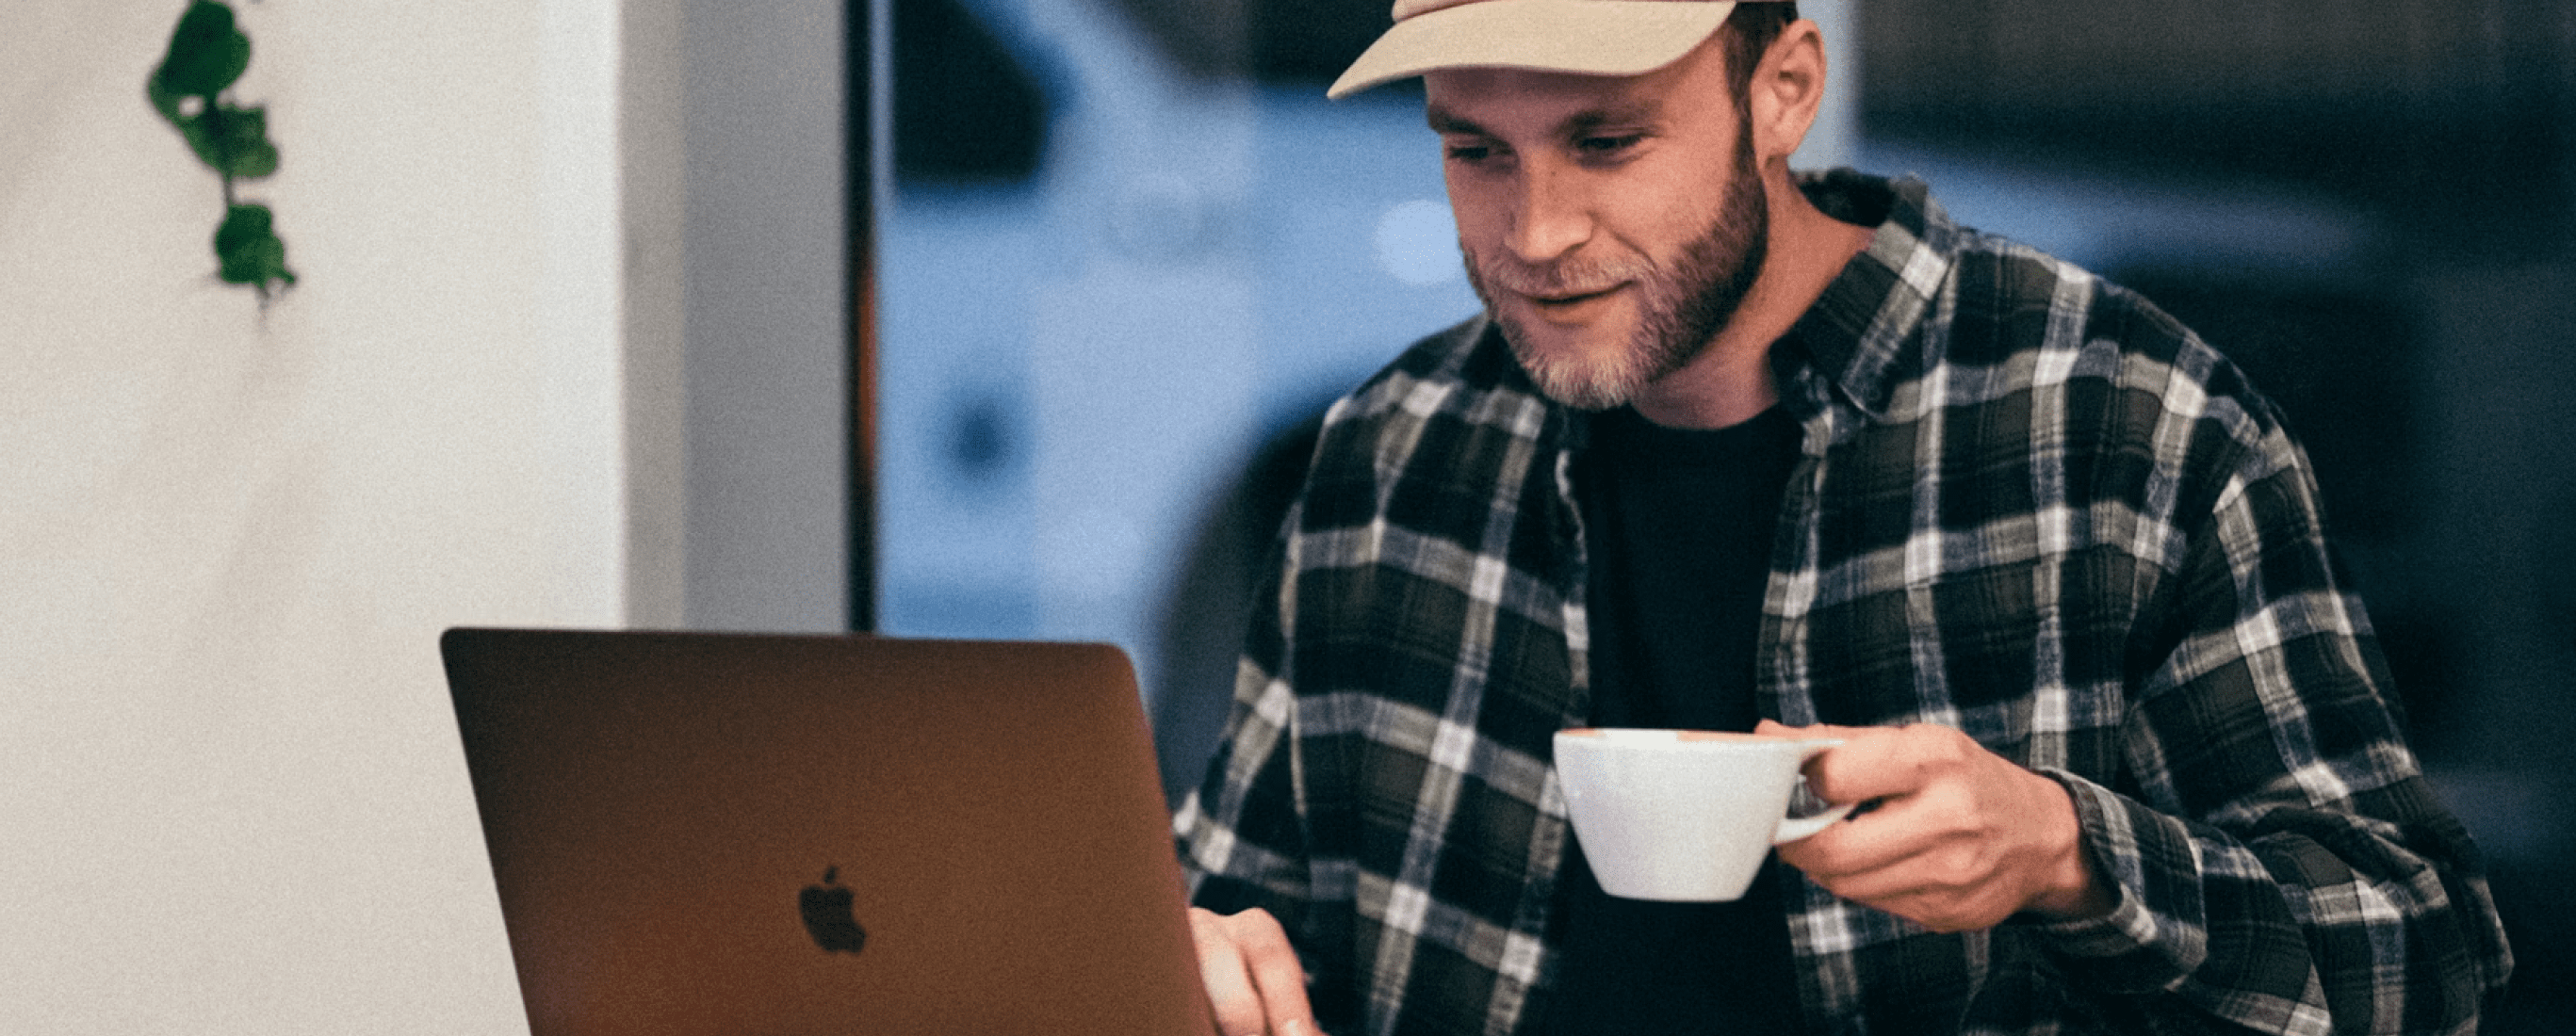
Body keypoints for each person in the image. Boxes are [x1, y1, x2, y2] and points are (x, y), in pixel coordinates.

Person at [1170, 1, 2515, 1034]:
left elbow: (2423, 962)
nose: (1535, 233)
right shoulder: (1390, 452)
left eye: (1606, 142)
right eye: (1474, 151)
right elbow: (1236, 913)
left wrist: (2068, 854)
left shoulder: (2121, 421)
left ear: (1783, 92)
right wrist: (1190, 959)